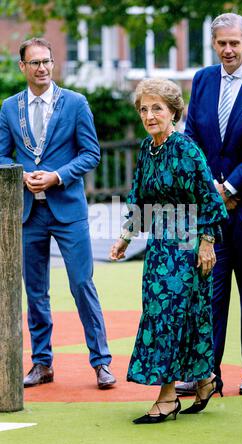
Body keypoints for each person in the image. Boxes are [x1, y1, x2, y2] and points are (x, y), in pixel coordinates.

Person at [176, 13, 242, 397]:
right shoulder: (203, 79)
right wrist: (211, 187)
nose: (227, 50)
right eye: (221, 43)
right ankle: (206, 372)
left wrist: (233, 186)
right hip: (213, 208)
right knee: (210, 292)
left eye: (234, 43)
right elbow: (192, 137)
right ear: (213, 43)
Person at [0, 38, 116, 390]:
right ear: (22, 67)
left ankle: (101, 363)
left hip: (68, 210)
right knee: (35, 292)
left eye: (47, 62)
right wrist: (21, 174)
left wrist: (57, 176)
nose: (42, 68)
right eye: (34, 63)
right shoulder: (8, 108)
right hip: (28, 213)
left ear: (53, 64)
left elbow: (91, 153)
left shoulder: (76, 103)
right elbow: (2, 156)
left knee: (82, 284)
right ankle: (42, 363)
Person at [110, 78, 227, 424]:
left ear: (173, 111)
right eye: (144, 109)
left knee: (166, 317)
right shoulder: (148, 149)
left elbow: (209, 197)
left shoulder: (187, 149)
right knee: (182, 316)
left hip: (188, 245)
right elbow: (137, 197)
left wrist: (207, 242)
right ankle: (205, 380)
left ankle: (167, 398)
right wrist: (125, 238)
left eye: (157, 108)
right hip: (160, 246)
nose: (149, 115)